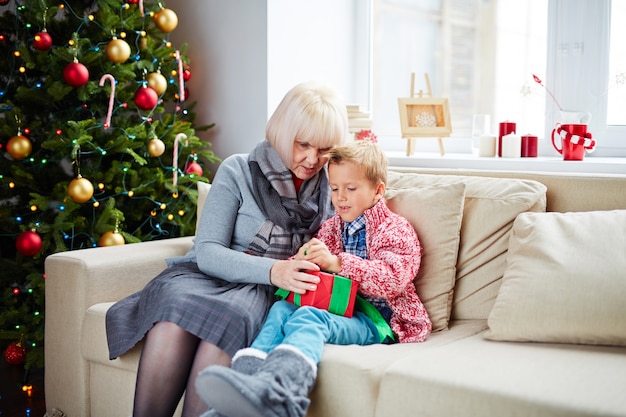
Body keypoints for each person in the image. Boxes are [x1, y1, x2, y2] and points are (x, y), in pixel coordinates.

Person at [105, 81, 349, 417]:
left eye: (324, 149)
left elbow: (345, 246)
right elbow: (206, 251)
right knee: (172, 314)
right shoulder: (238, 170)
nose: (311, 159)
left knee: (230, 319)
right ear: (282, 131)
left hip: (262, 291)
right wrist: (273, 269)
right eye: (303, 144)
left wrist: (320, 260)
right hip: (208, 274)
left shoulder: (335, 188)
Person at [195, 140, 432, 417]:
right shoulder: (332, 227)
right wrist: (303, 260)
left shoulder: (394, 229)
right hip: (339, 307)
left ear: (378, 191)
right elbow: (312, 267)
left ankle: (282, 395)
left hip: (376, 319)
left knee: (310, 318)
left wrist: (337, 263)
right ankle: (246, 388)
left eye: (351, 189)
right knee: (282, 308)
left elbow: (392, 279)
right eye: (334, 188)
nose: (340, 197)